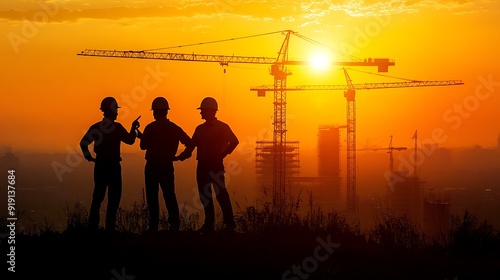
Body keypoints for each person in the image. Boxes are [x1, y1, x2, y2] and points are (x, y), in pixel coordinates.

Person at [80, 96, 140, 231]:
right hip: (113, 167)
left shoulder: (96, 127)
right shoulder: (116, 128)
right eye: (116, 110)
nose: (117, 113)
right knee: (114, 198)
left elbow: (83, 143)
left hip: (100, 165)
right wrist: (133, 128)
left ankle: (92, 227)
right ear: (112, 111)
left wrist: (89, 157)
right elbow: (130, 140)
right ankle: (109, 228)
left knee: (98, 197)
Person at [136, 97, 194, 232]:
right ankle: (174, 225)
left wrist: (142, 136)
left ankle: (153, 226)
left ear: (155, 112)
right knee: (169, 195)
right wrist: (181, 156)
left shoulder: (150, 127)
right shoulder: (173, 128)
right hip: (167, 166)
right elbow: (190, 143)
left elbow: (143, 146)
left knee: (152, 197)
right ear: (166, 111)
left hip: (152, 166)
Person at [190, 97, 239, 233]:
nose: (201, 113)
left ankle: (229, 224)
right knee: (205, 196)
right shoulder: (200, 129)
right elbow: (191, 145)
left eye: (203, 111)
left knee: (220, 194)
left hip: (214, 165)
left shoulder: (222, 127)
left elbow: (234, 141)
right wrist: (179, 157)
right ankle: (209, 225)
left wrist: (222, 155)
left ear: (210, 111)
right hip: (203, 165)